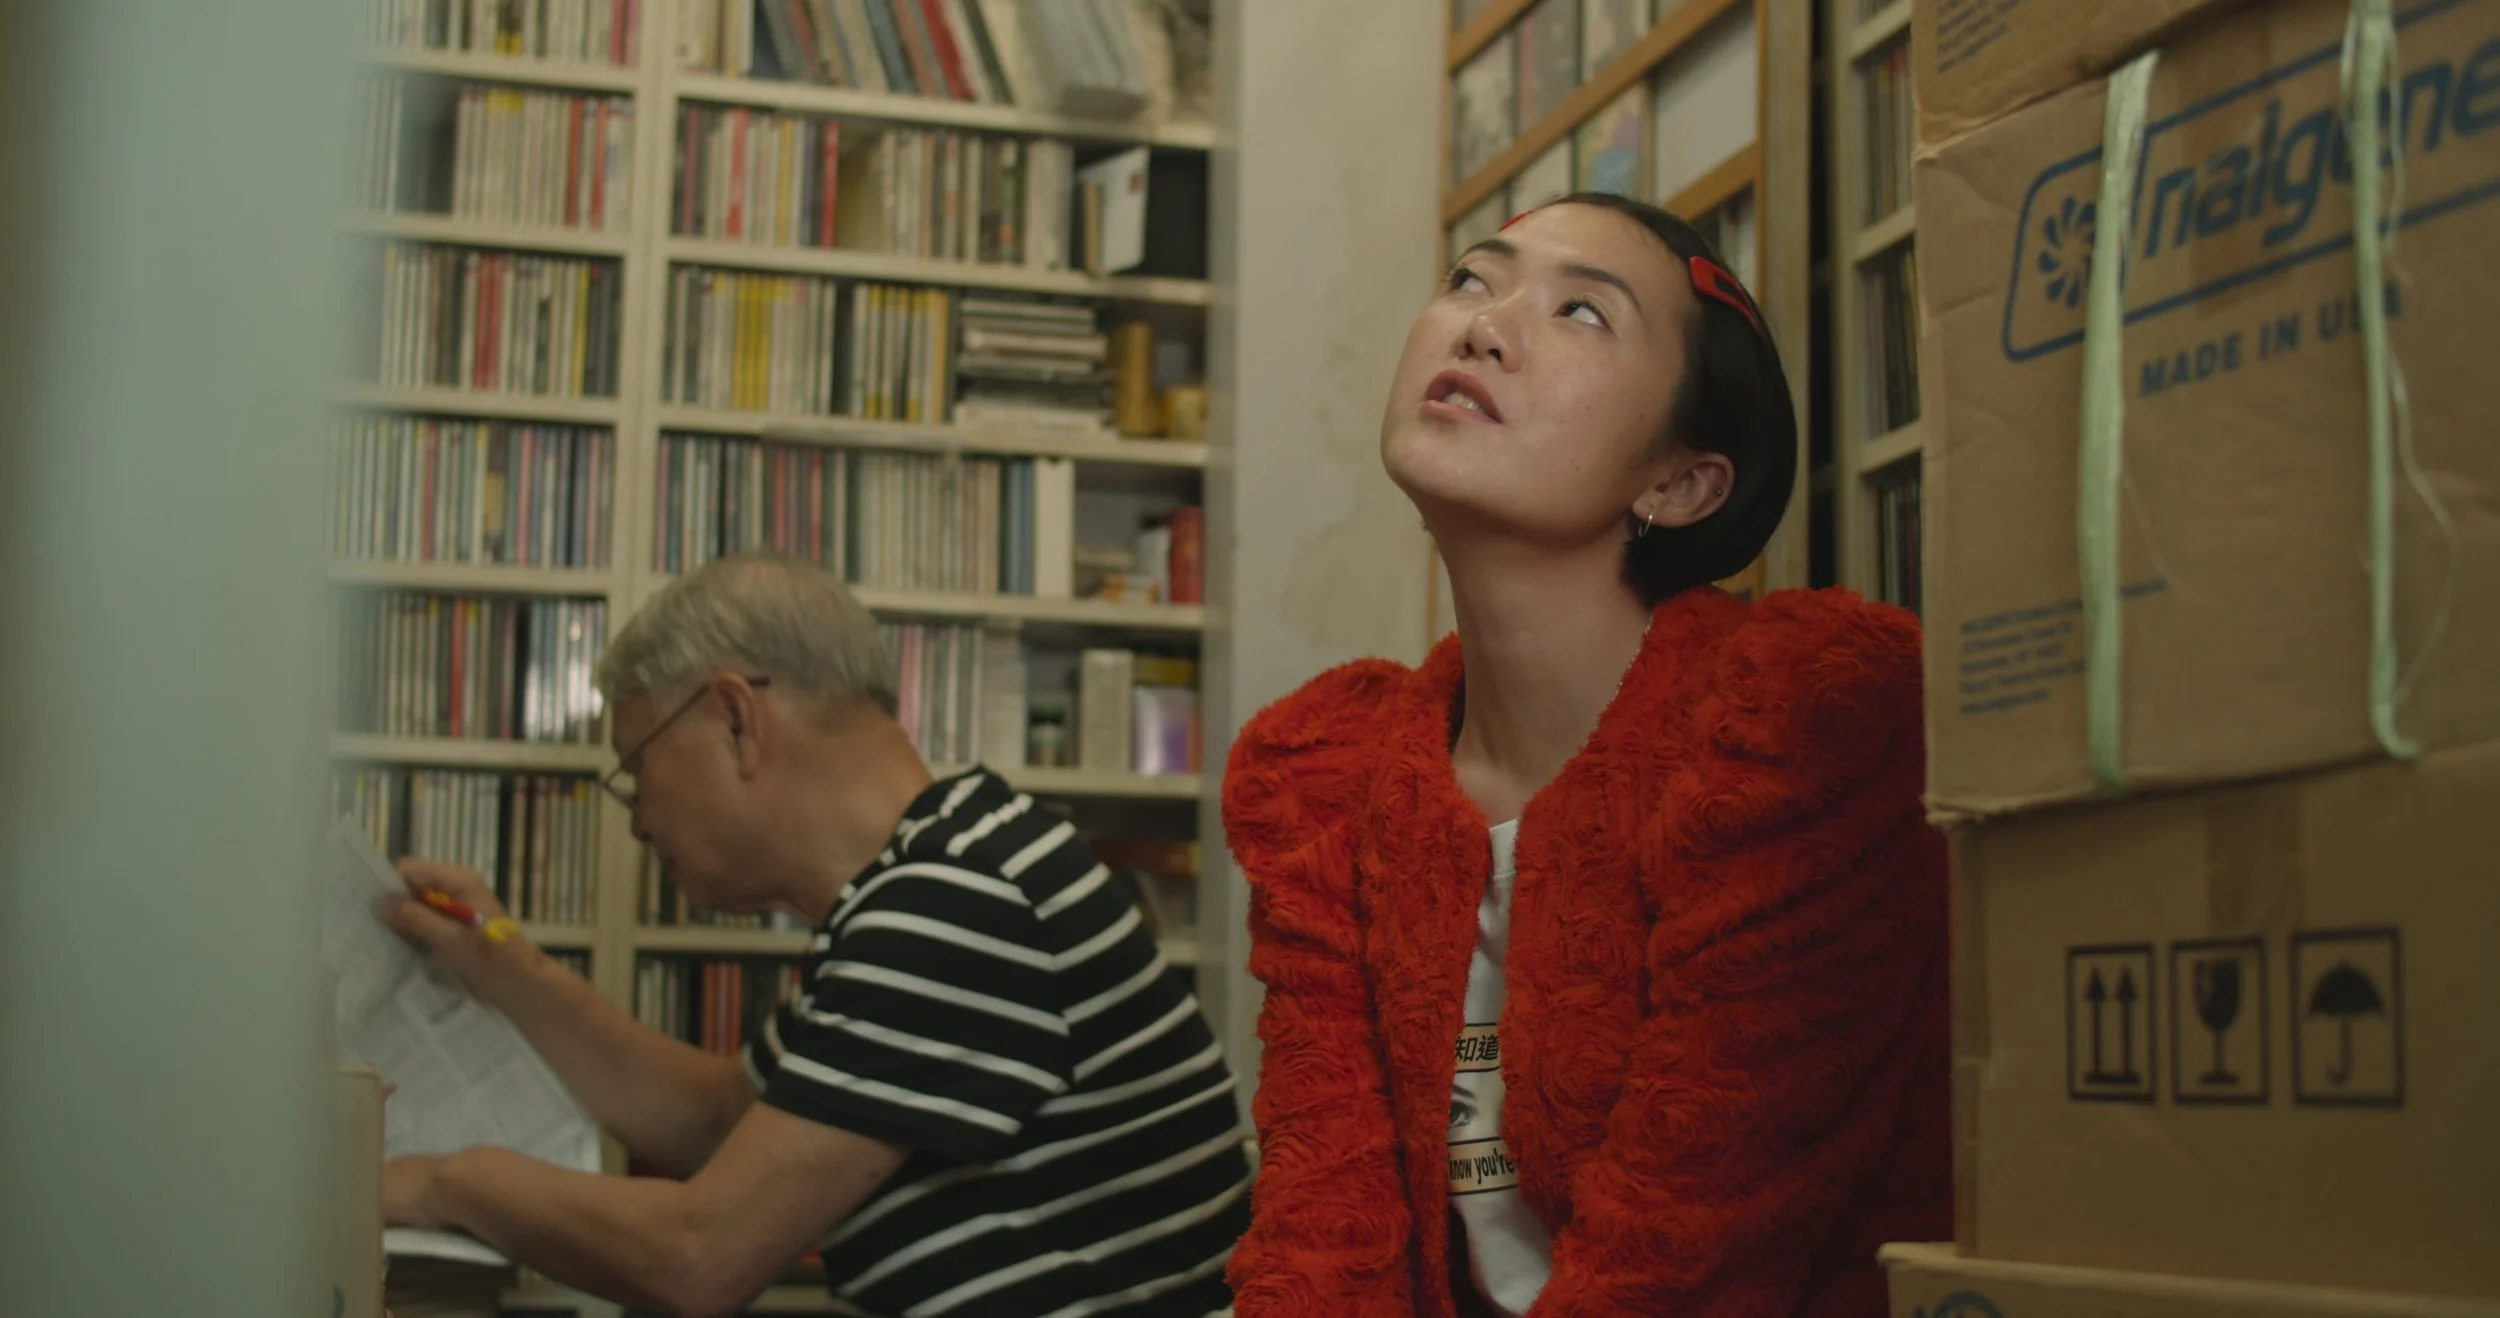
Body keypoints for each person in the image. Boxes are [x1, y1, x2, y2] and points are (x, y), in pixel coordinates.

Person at [1220, 194, 1951, 1317]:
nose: (1483, 326)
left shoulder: (1799, 719)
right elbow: (1325, 1223)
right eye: (1472, 278)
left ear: (1679, 483)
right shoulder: (1331, 769)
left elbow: (1692, 1259)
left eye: (1582, 313)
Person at [379, 554, 1251, 1318]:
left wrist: (443, 1181)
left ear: (733, 718)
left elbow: (699, 1256)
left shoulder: (951, 901)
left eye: (637, 767)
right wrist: (503, 965)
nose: (639, 819)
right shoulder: (935, 871)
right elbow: (723, 1119)